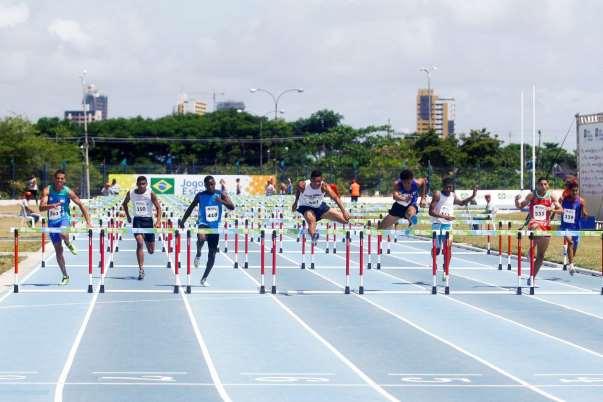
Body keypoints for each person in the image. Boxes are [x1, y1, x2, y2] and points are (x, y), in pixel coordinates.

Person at [180, 175, 235, 286]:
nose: (211, 186)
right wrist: (183, 220)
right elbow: (191, 207)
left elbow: (232, 207)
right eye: (209, 184)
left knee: (212, 254)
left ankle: (204, 278)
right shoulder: (200, 195)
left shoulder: (221, 194)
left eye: (213, 184)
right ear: (205, 185)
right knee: (201, 238)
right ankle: (199, 253)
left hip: (215, 227)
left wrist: (222, 201)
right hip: (203, 224)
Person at [39, 170, 92, 285]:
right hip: (52, 222)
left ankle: (67, 241)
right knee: (59, 251)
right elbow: (41, 208)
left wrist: (88, 221)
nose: (60, 180)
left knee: (63, 234)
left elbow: (81, 204)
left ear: (65, 180)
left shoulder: (67, 191)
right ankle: (65, 275)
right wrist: (51, 206)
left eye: (62, 178)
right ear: (54, 179)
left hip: (64, 218)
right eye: (58, 178)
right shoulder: (47, 190)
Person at [515, 177, 561, 285]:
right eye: (541, 184)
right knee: (536, 228)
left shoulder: (552, 196)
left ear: (548, 185)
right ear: (537, 185)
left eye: (545, 184)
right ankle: (531, 248)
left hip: (546, 225)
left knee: (541, 256)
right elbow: (520, 206)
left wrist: (552, 209)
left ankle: (532, 277)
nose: (543, 186)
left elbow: (561, 210)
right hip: (534, 222)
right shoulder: (532, 195)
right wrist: (516, 200)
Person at [429, 177, 477, 279]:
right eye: (447, 187)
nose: (449, 189)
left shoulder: (453, 195)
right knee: (436, 250)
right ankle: (435, 263)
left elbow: (462, 203)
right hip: (437, 225)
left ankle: (446, 268)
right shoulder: (438, 194)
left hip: (448, 226)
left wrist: (473, 195)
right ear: (443, 186)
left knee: (448, 249)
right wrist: (445, 216)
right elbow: (431, 211)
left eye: (451, 187)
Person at [292, 170, 350, 246]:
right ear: (311, 180)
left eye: (320, 181)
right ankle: (313, 236)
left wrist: (344, 211)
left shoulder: (324, 186)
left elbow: (335, 197)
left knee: (345, 220)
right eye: (316, 181)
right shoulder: (303, 185)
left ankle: (321, 219)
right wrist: (296, 202)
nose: (318, 183)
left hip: (319, 207)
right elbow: (298, 191)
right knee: (312, 220)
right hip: (306, 207)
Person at [122, 176, 162, 280]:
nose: (141, 186)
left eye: (143, 184)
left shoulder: (150, 194)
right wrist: (128, 216)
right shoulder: (131, 193)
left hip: (148, 221)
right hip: (137, 220)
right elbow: (124, 203)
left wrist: (158, 222)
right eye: (140, 184)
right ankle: (141, 269)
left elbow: (158, 208)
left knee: (151, 251)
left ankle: (144, 237)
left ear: (146, 184)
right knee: (139, 243)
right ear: (137, 184)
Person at [558, 179, 588, 275]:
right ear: (569, 191)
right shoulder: (564, 199)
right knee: (570, 242)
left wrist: (584, 210)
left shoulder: (581, 201)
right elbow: (558, 208)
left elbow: (584, 215)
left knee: (574, 247)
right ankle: (571, 265)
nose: (575, 192)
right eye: (573, 190)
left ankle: (570, 261)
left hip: (576, 227)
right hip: (565, 226)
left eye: (576, 190)